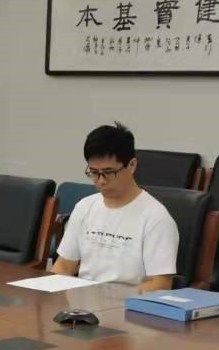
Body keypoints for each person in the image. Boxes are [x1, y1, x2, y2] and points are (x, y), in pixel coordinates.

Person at [51, 123, 179, 292]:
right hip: (82, 303)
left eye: (109, 172)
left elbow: (160, 284)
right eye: (94, 172)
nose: (101, 181)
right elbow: (65, 266)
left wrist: (112, 301)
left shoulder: (156, 218)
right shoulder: (84, 207)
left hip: (127, 304)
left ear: (132, 165)